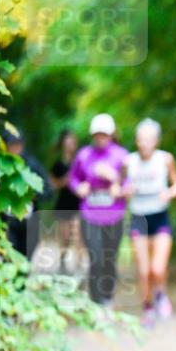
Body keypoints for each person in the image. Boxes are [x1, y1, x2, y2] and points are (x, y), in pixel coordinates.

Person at [123, 118, 176, 328]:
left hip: (160, 218)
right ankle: (147, 308)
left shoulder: (165, 160)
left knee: (157, 269)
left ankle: (160, 293)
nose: (145, 143)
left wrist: (169, 193)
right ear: (137, 141)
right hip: (139, 219)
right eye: (141, 139)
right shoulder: (128, 162)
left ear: (156, 141)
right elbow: (117, 188)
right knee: (144, 271)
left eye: (149, 139)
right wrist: (124, 191)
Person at [69, 113, 130, 307]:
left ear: (112, 135)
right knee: (95, 257)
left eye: (104, 134)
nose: (100, 138)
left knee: (109, 258)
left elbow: (129, 183)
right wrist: (79, 187)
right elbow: (73, 178)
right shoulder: (84, 155)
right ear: (92, 135)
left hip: (114, 215)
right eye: (97, 134)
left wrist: (116, 182)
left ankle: (107, 298)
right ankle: (95, 301)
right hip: (90, 214)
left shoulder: (122, 155)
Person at [1, 126, 51, 259]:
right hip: (7, 223)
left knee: (25, 263)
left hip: (30, 224)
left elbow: (48, 192)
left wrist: (30, 193)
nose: (16, 149)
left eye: (18, 144)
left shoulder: (32, 166)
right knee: (9, 260)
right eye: (12, 145)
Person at [50, 128, 81, 273]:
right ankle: (62, 265)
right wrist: (65, 181)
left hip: (79, 205)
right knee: (65, 239)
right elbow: (52, 185)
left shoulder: (80, 162)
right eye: (67, 142)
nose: (70, 145)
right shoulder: (57, 164)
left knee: (79, 238)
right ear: (63, 144)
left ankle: (79, 268)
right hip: (63, 204)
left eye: (72, 142)